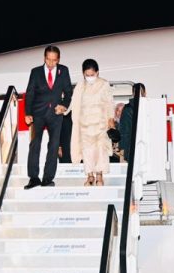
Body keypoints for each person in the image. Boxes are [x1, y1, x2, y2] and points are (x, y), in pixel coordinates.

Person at [23, 45, 73, 189]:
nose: (51, 63)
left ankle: (47, 178)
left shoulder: (63, 71)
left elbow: (68, 92)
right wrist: (28, 113)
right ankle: (33, 178)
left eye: (54, 60)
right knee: (34, 144)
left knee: (53, 145)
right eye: (48, 59)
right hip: (37, 113)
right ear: (44, 58)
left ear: (58, 59)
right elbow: (30, 93)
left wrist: (63, 105)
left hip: (56, 114)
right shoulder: (36, 72)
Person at [66, 59, 115, 186]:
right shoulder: (80, 86)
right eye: (87, 75)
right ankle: (89, 176)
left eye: (92, 75)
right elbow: (73, 103)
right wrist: (65, 110)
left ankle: (99, 176)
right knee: (87, 151)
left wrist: (111, 118)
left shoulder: (104, 84)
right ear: (83, 74)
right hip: (84, 125)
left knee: (100, 150)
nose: (89, 77)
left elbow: (109, 103)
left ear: (97, 73)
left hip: (100, 124)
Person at [118, 83, 146, 162]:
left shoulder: (127, 109)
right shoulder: (149, 107)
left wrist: (123, 148)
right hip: (142, 147)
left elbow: (124, 130)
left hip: (131, 147)